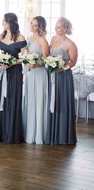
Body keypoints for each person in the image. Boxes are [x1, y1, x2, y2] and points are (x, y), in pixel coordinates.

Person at [46, 17, 77, 145]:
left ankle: (63, 135)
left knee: (62, 103)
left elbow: (72, 62)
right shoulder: (53, 39)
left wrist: (61, 68)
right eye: (56, 27)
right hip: (52, 74)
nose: (56, 29)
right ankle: (52, 134)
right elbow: (47, 54)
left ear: (65, 29)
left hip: (63, 77)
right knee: (53, 102)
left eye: (59, 27)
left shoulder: (70, 44)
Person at [0, 13, 26, 143]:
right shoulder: (0, 36)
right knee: (2, 100)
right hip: (1, 72)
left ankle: (13, 134)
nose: (2, 22)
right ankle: (2, 133)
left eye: (4, 20)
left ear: (11, 22)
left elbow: (25, 56)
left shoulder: (20, 37)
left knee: (13, 100)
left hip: (14, 72)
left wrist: (12, 63)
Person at [23, 16, 49, 144]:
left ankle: (39, 134)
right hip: (30, 74)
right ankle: (29, 133)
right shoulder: (28, 39)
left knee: (39, 101)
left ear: (40, 27)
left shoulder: (43, 40)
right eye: (31, 24)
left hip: (39, 74)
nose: (32, 27)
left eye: (35, 25)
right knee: (30, 101)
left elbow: (46, 60)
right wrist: (25, 58)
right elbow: (25, 55)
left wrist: (36, 64)